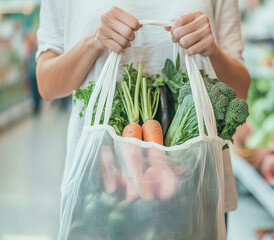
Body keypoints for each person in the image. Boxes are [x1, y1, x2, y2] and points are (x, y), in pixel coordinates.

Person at [35, 0, 250, 230]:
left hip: (195, 185)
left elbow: (241, 90)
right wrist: (93, 41)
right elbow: (47, 86)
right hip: (102, 182)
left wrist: (212, 50)